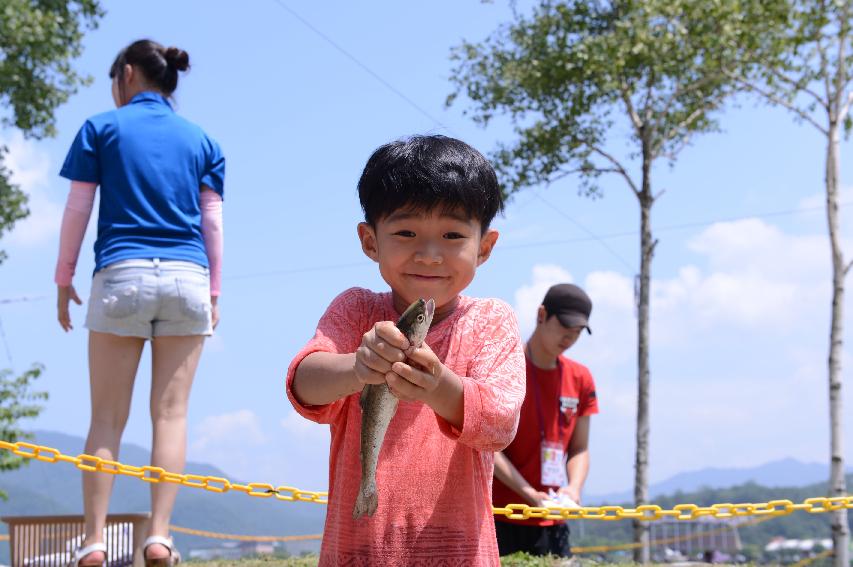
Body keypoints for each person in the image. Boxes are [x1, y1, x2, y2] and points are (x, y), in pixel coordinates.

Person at [286, 135, 526, 565]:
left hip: (460, 552)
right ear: (370, 240)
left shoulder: (491, 321)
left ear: (484, 247)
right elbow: (304, 385)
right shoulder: (357, 309)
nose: (429, 254)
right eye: (406, 232)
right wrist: (357, 368)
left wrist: (438, 387)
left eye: (453, 235)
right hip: (359, 550)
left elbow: (499, 423)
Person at [54, 39, 225, 567]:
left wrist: (64, 279)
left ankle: (95, 542)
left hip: (121, 274)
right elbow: (212, 221)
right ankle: (158, 537)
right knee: (170, 415)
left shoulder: (101, 127)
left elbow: (78, 208)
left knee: (106, 419)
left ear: (126, 74)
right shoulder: (202, 140)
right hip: (186, 278)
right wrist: (214, 291)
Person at [492, 283, 599, 558]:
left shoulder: (581, 378)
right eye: (565, 327)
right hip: (499, 516)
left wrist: (573, 489)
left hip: (554, 518)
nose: (570, 337)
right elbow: (488, 446)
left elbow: (580, 448)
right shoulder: (504, 368)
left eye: (577, 332)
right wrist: (528, 493)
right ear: (542, 314)